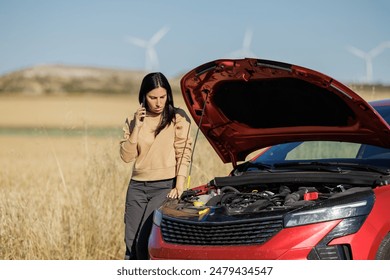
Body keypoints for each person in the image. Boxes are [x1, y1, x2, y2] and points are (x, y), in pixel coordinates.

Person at [119, 72, 192, 260]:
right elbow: (126, 157)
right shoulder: (133, 120)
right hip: (137, 187)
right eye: (153, 98)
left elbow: (183, 152)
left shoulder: (178, 117)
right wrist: (137, 128)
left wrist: (180, 184)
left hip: (165, 187)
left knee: (143, 241)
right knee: (130, 243)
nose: (159, 103)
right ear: (143, 96)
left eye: (162, 96)